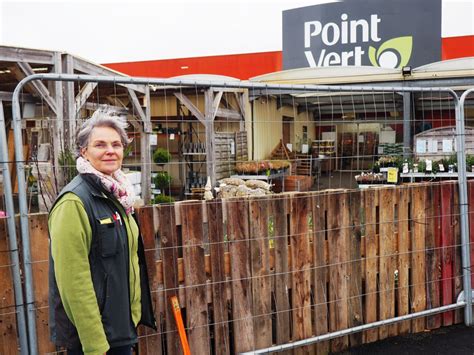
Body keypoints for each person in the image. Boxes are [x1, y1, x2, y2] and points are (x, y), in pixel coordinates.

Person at [48, 107, 156, 355]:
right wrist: (95, 345)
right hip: (94, 341)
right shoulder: (74, 202)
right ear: (84, 151)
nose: (110, 150)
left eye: (116, 144)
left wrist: (133, 315)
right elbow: (74, 284)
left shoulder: (118, 195)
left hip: (119, 330)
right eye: (100, 144)